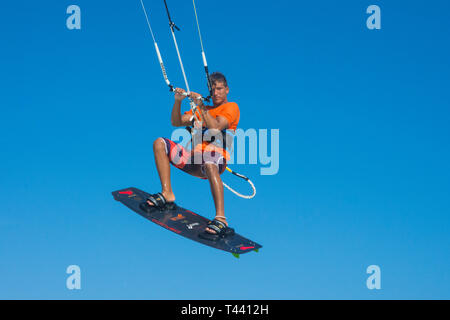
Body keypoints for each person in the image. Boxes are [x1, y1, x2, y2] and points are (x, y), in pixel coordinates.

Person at [142, 72, 240, 239]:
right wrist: (178, 101)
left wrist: (201, 106)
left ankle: (221, 219)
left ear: (227, 90)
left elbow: (216, 128)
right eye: (213, 90)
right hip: (193, 160)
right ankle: (167, 194)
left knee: (209, 161)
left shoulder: (231, 107)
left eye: (219, 89)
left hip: (215, 160)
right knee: (159, 143)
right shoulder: (202, 110)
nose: (215, 93)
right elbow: (177, 121)